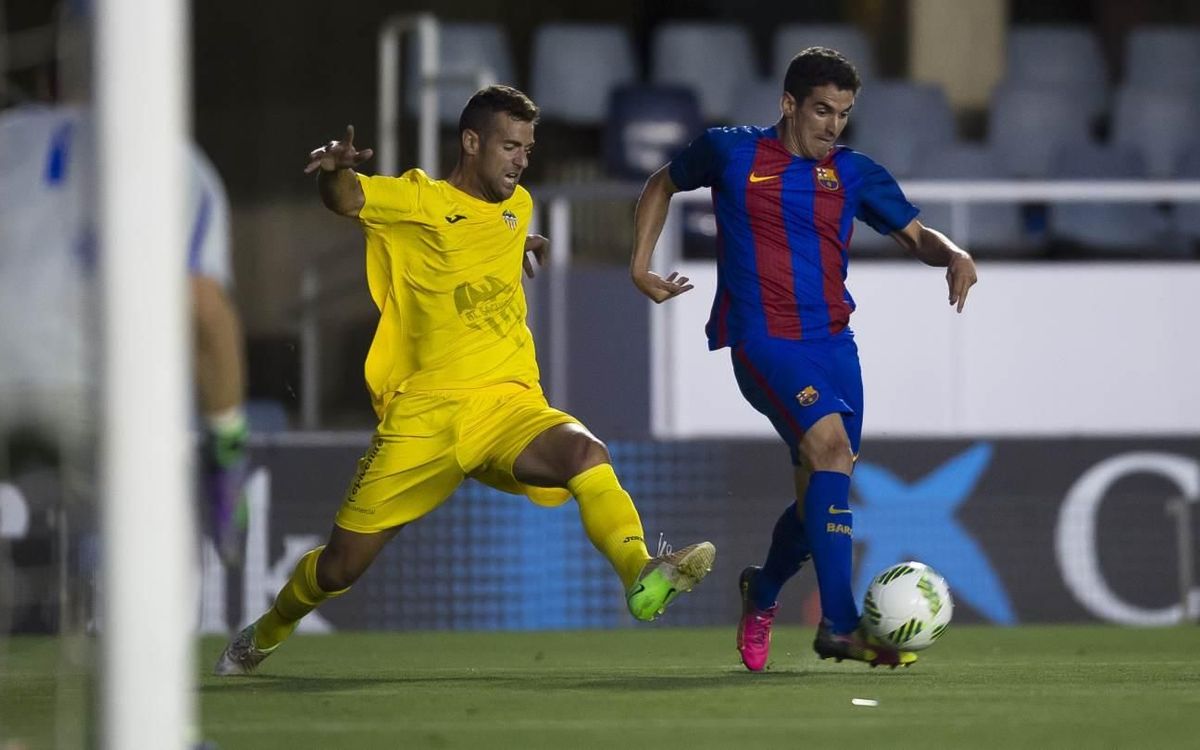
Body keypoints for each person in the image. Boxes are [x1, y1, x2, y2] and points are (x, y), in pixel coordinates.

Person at [214, 85, 716, 676]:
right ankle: (268, 629)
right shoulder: (417, 199)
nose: (520, 160)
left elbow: (483, 237)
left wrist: (516, 243)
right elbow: (348, 198)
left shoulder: (518, 207)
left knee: (585, 451)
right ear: (472, 143)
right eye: (509, 146)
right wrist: (333, 170)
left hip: (507, 405)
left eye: (527, 149)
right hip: (424, 416)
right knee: (339, 568)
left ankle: (641, 574)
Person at [629, 48, 978, 671]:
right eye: (822, 110)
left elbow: (917, 236)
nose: (833, 125)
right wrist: (640, 264)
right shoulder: (732, 152)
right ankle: (839, 626)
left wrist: (953, 252)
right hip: (762, 340)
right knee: (832, 455)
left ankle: (760, 590)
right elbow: (662, 182)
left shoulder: (854, 173)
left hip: (834, 347)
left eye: (843, 113)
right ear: (788, 104)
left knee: (822, 494)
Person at [0, 103, 251, 570]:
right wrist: (226, 448)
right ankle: (133, 620)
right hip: (94, 389)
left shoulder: (9, 135)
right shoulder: (172, 160)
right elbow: (206, 307)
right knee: (161, 538)